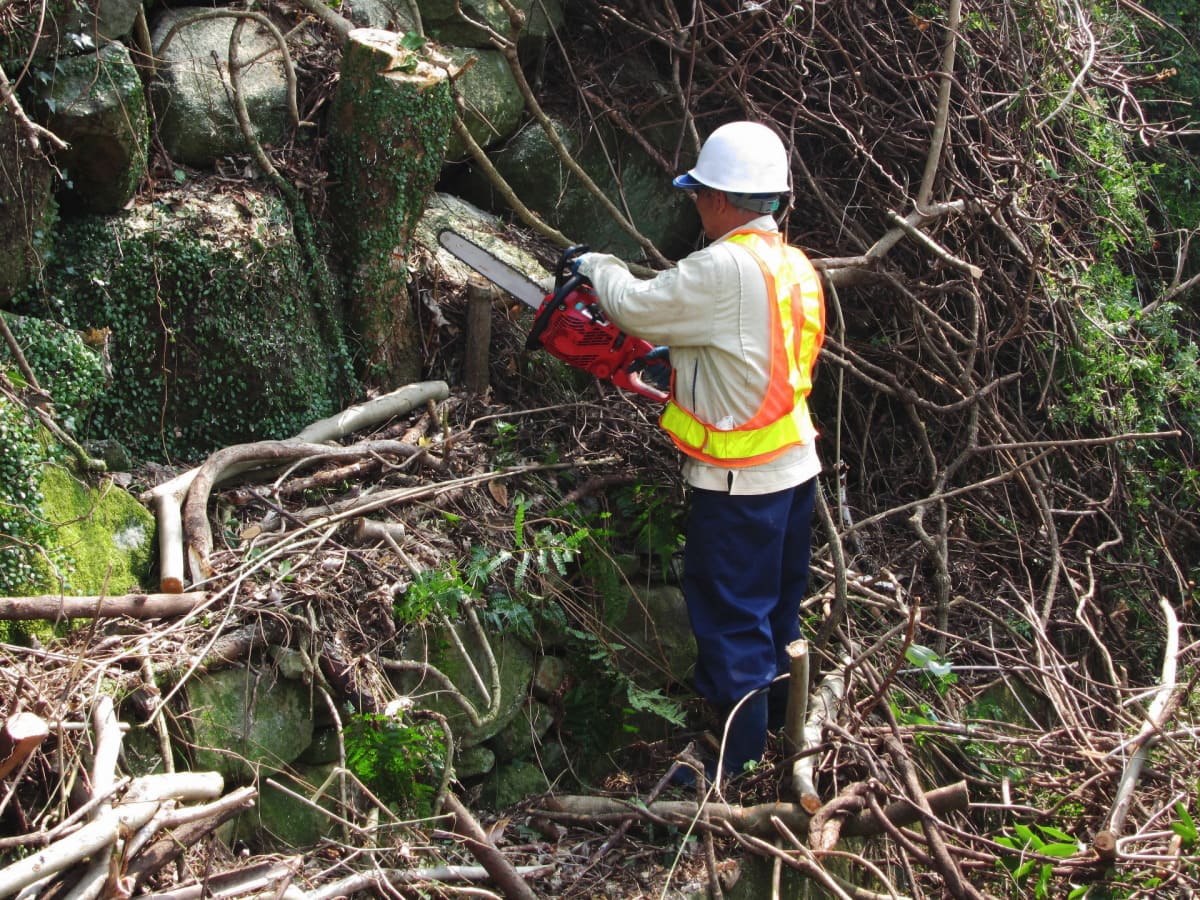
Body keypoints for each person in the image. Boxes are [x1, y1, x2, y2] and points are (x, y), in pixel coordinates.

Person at [571, 120, 826, 782]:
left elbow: (635, 306)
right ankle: (780, 730)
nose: (696, 205)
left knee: (731, 617)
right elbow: (751, 350)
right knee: (776, 611)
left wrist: (595, 266)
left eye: (699, 194)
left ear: (718, 197)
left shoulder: (722, 267)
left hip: (741, 485)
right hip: (795, 471)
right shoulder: (789, 263)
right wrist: (685, 357)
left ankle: (737, 764)